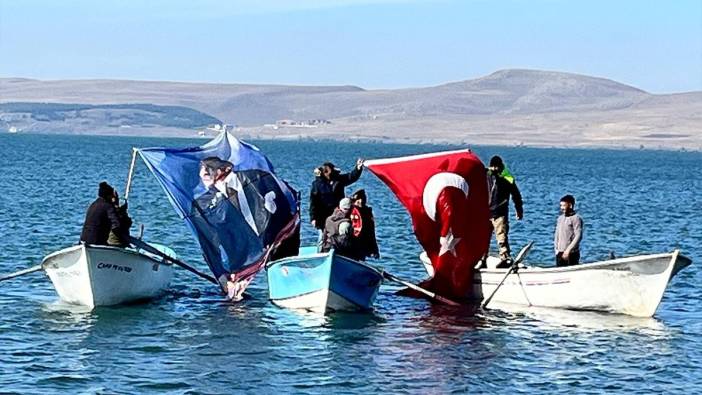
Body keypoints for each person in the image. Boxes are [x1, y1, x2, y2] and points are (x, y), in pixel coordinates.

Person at [309, 159, 364, 246]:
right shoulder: (317, 185)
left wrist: (358, 168)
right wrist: (313, 218)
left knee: (340, 233)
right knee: (322, 238)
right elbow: (313, 202)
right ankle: (323, 254)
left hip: (339, 214)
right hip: (322, 217)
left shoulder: (339, 180)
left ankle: (340, 252)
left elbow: (351, 177)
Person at [486, 155, 524, 267]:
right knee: (483, 238)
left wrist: (519, 209)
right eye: (493, 167)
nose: (495, 169)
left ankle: (505, 258)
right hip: (486, 212)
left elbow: (516, 195)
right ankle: (482, 259)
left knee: (501, 236)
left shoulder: (507, 177)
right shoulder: (487, 175)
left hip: (500, 212)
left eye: (497, 167)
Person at [349, 189, 379, 261]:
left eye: (363, 198)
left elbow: (371, 232)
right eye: (358, 199)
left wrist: (374, 249)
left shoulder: (367, 213)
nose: (361, 201)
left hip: (363, 244)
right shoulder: (349, 211)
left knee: (359, 260)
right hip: (350, 243)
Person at [554, 194, 583, 266]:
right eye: (561, 206)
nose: (562, 208)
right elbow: (556, 235)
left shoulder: (576, 218)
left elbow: (578, 236)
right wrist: (556, 249)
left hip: (571, 253)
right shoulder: (560, 218)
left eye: (564, 205)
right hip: (560, 252)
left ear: (570, 205)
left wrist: (568, 250)